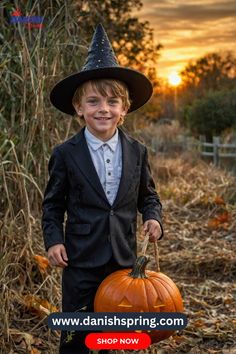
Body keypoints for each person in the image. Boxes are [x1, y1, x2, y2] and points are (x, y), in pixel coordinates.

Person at [42, 24, 164, 354]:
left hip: (122, 261)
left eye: (112, 102)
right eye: (93, 101)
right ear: (79, 108)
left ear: (124, 109)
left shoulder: (137, 151)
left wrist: (154, 218)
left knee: (111, 333)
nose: (103, 109)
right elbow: (52, 206)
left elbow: (148, 196)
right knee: (76, 336)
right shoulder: (66, 154)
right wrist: (53, 241)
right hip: (80, 260)